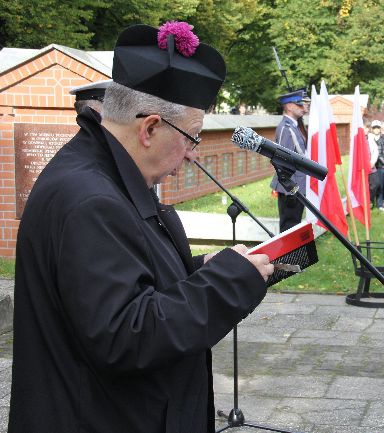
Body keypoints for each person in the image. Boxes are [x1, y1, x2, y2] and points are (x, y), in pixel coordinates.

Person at [8, 22, 274, 433]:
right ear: (149, 128)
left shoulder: (102, 172)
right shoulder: (91, 199)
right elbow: (125, 336)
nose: (190, 155)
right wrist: (227, 284)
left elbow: (129, 278)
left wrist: (204, 269)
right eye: (193, 138)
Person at [269, 88, 311, 232]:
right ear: (289, 106)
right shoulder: (286, 128)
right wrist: (289, 189)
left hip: (296, 185)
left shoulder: (294, 126)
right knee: (289, 228)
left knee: (294, 226)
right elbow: (281, 160)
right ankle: (287, 255)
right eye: (299, 105)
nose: (303, 108)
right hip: (290, 187)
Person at [367, 119, 382, 207]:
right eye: (374, 128)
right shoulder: (370, 138)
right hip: (372, 165)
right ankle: (370, 200)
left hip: (380, 165)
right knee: (371, 184)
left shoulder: (382, 138)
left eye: (378, 128)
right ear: (372, 129)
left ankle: (378, 200)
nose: (376, 129)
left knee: (378, 184)